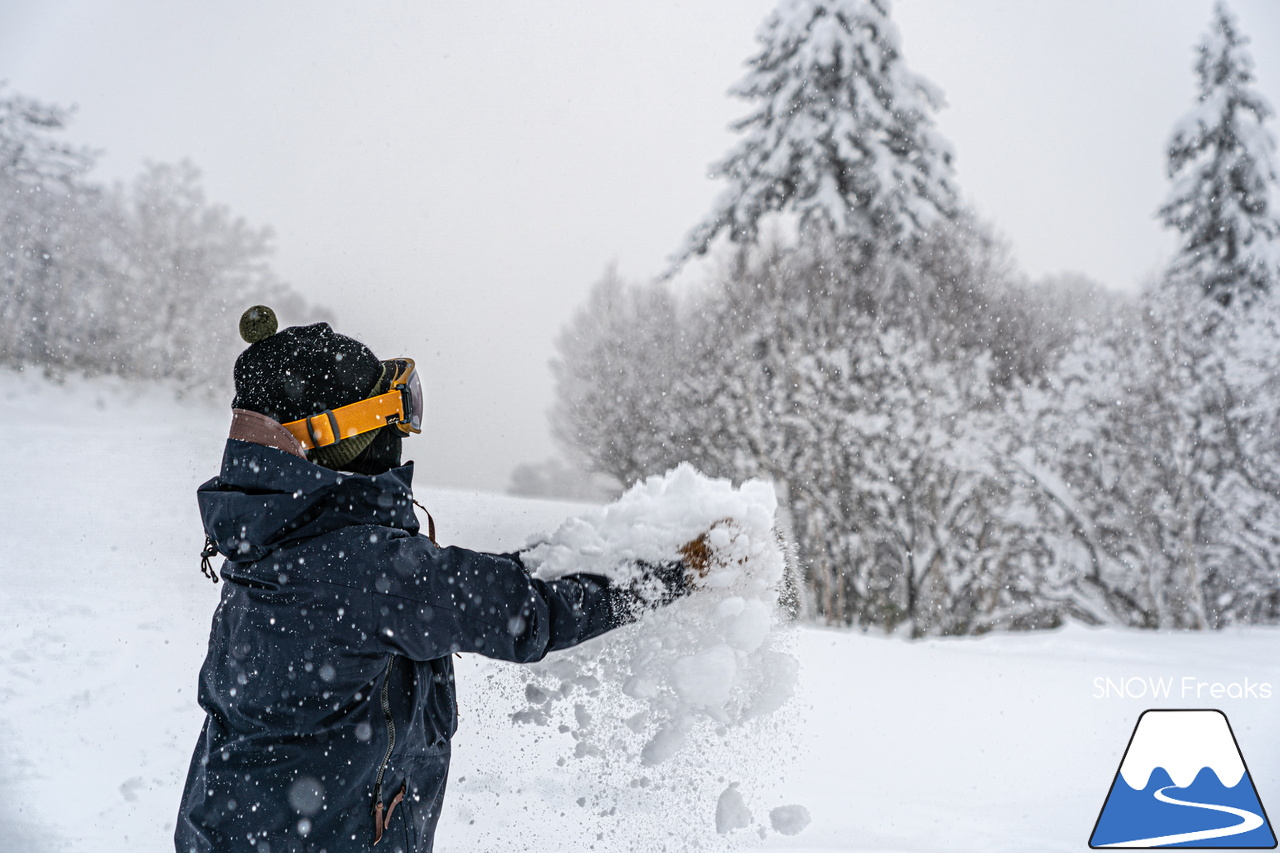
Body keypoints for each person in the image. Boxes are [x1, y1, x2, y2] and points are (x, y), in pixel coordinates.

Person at [176, 306, 696, 853]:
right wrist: (677, 565)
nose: (404, 431)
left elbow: (482, 586)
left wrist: (607, 544)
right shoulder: (363, 570)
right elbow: (528, 610)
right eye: (396, 412)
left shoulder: (274, 541)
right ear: (341, 437)